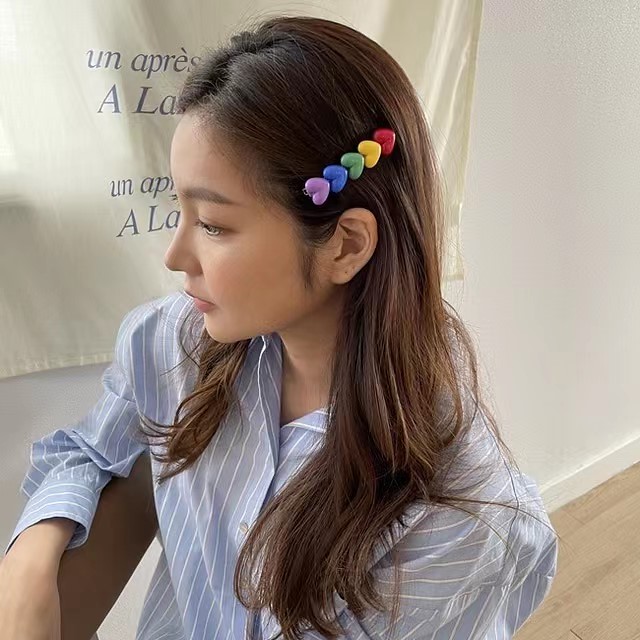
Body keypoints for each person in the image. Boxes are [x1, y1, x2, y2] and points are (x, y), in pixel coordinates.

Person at [0, 15, 558, 640]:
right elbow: (91, 452)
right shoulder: (172, 343)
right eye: (179, 210)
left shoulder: (455, 520)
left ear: (345, 244)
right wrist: (31, 556)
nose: (175, 256)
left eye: (213, 225)